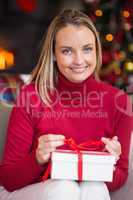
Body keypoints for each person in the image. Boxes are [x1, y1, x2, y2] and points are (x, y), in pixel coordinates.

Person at [0, 8, 132, 200]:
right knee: (64, 188)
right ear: (54, 54)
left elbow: (119, 178)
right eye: (67, 51)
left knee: (95, 187)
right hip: (30, 191)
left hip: (86, 193)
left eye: (87, 49)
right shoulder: (31, 97)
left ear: (96, 50)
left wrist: (110, 163)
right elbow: (9, 180)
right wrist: (37, 158)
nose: (79, 61)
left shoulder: (118, 102)